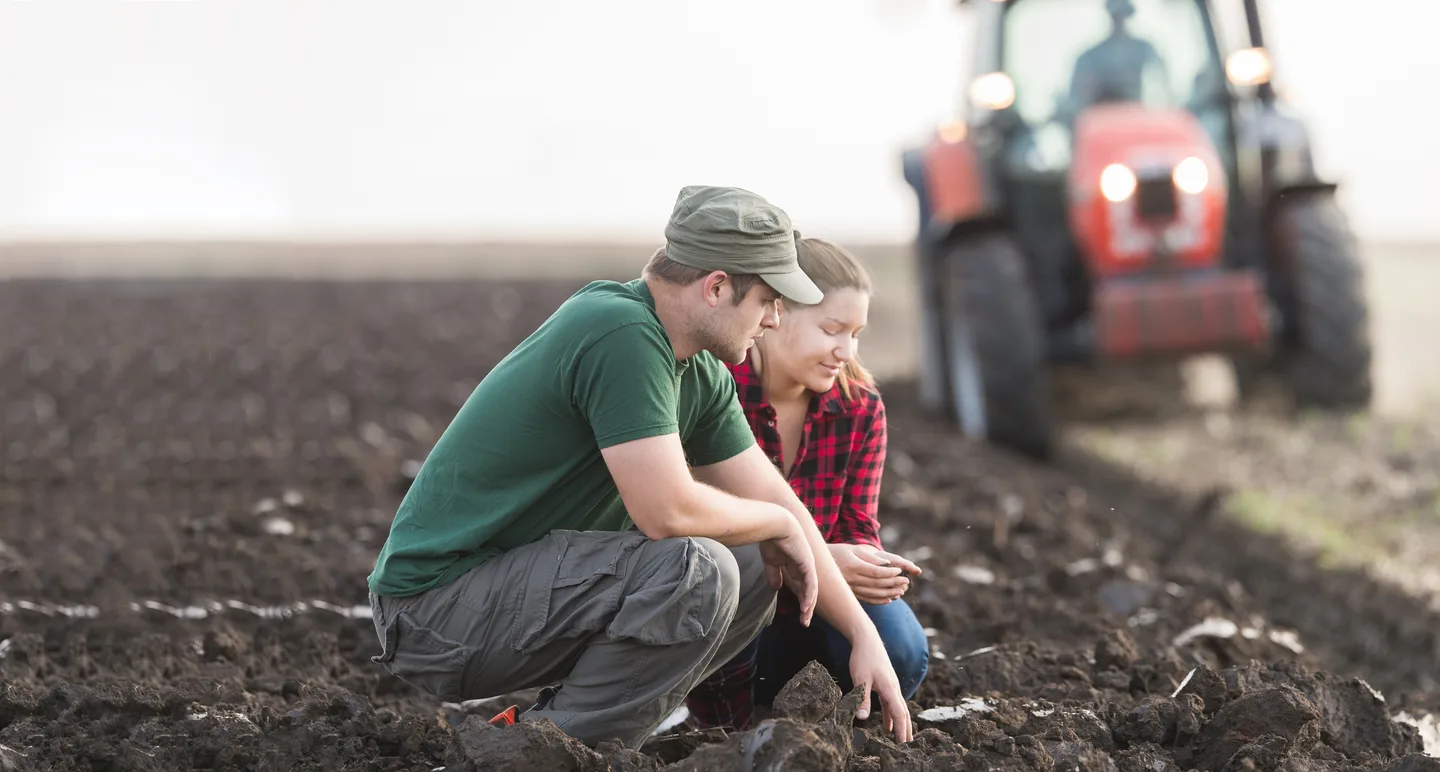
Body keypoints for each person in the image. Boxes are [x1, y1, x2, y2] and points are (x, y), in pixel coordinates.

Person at [365, 185, 914, 750]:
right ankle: (531, 754)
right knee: (697, 569)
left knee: (752, 565)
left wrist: (861, 634)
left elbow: (778, 502)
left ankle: (554, 738)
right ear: (717, 287)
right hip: (435, 611)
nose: (775, 320)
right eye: (769, 301)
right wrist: (780, 525)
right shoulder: (620, 332)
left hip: (511, 594)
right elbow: (667, 511)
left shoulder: (699, 369)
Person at [683, 236, 930, 731]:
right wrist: (808, 558)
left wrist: (852, 560)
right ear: (775, 313)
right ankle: (725, 731)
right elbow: (694, 525)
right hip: (727, 607)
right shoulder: (714, 389)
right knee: (734, 572)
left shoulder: (859, 405)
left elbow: (858, 525)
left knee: (902, 649)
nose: (847, 350)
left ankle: (826, 720)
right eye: (832, 329)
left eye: (856, 333)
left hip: (816, 609)